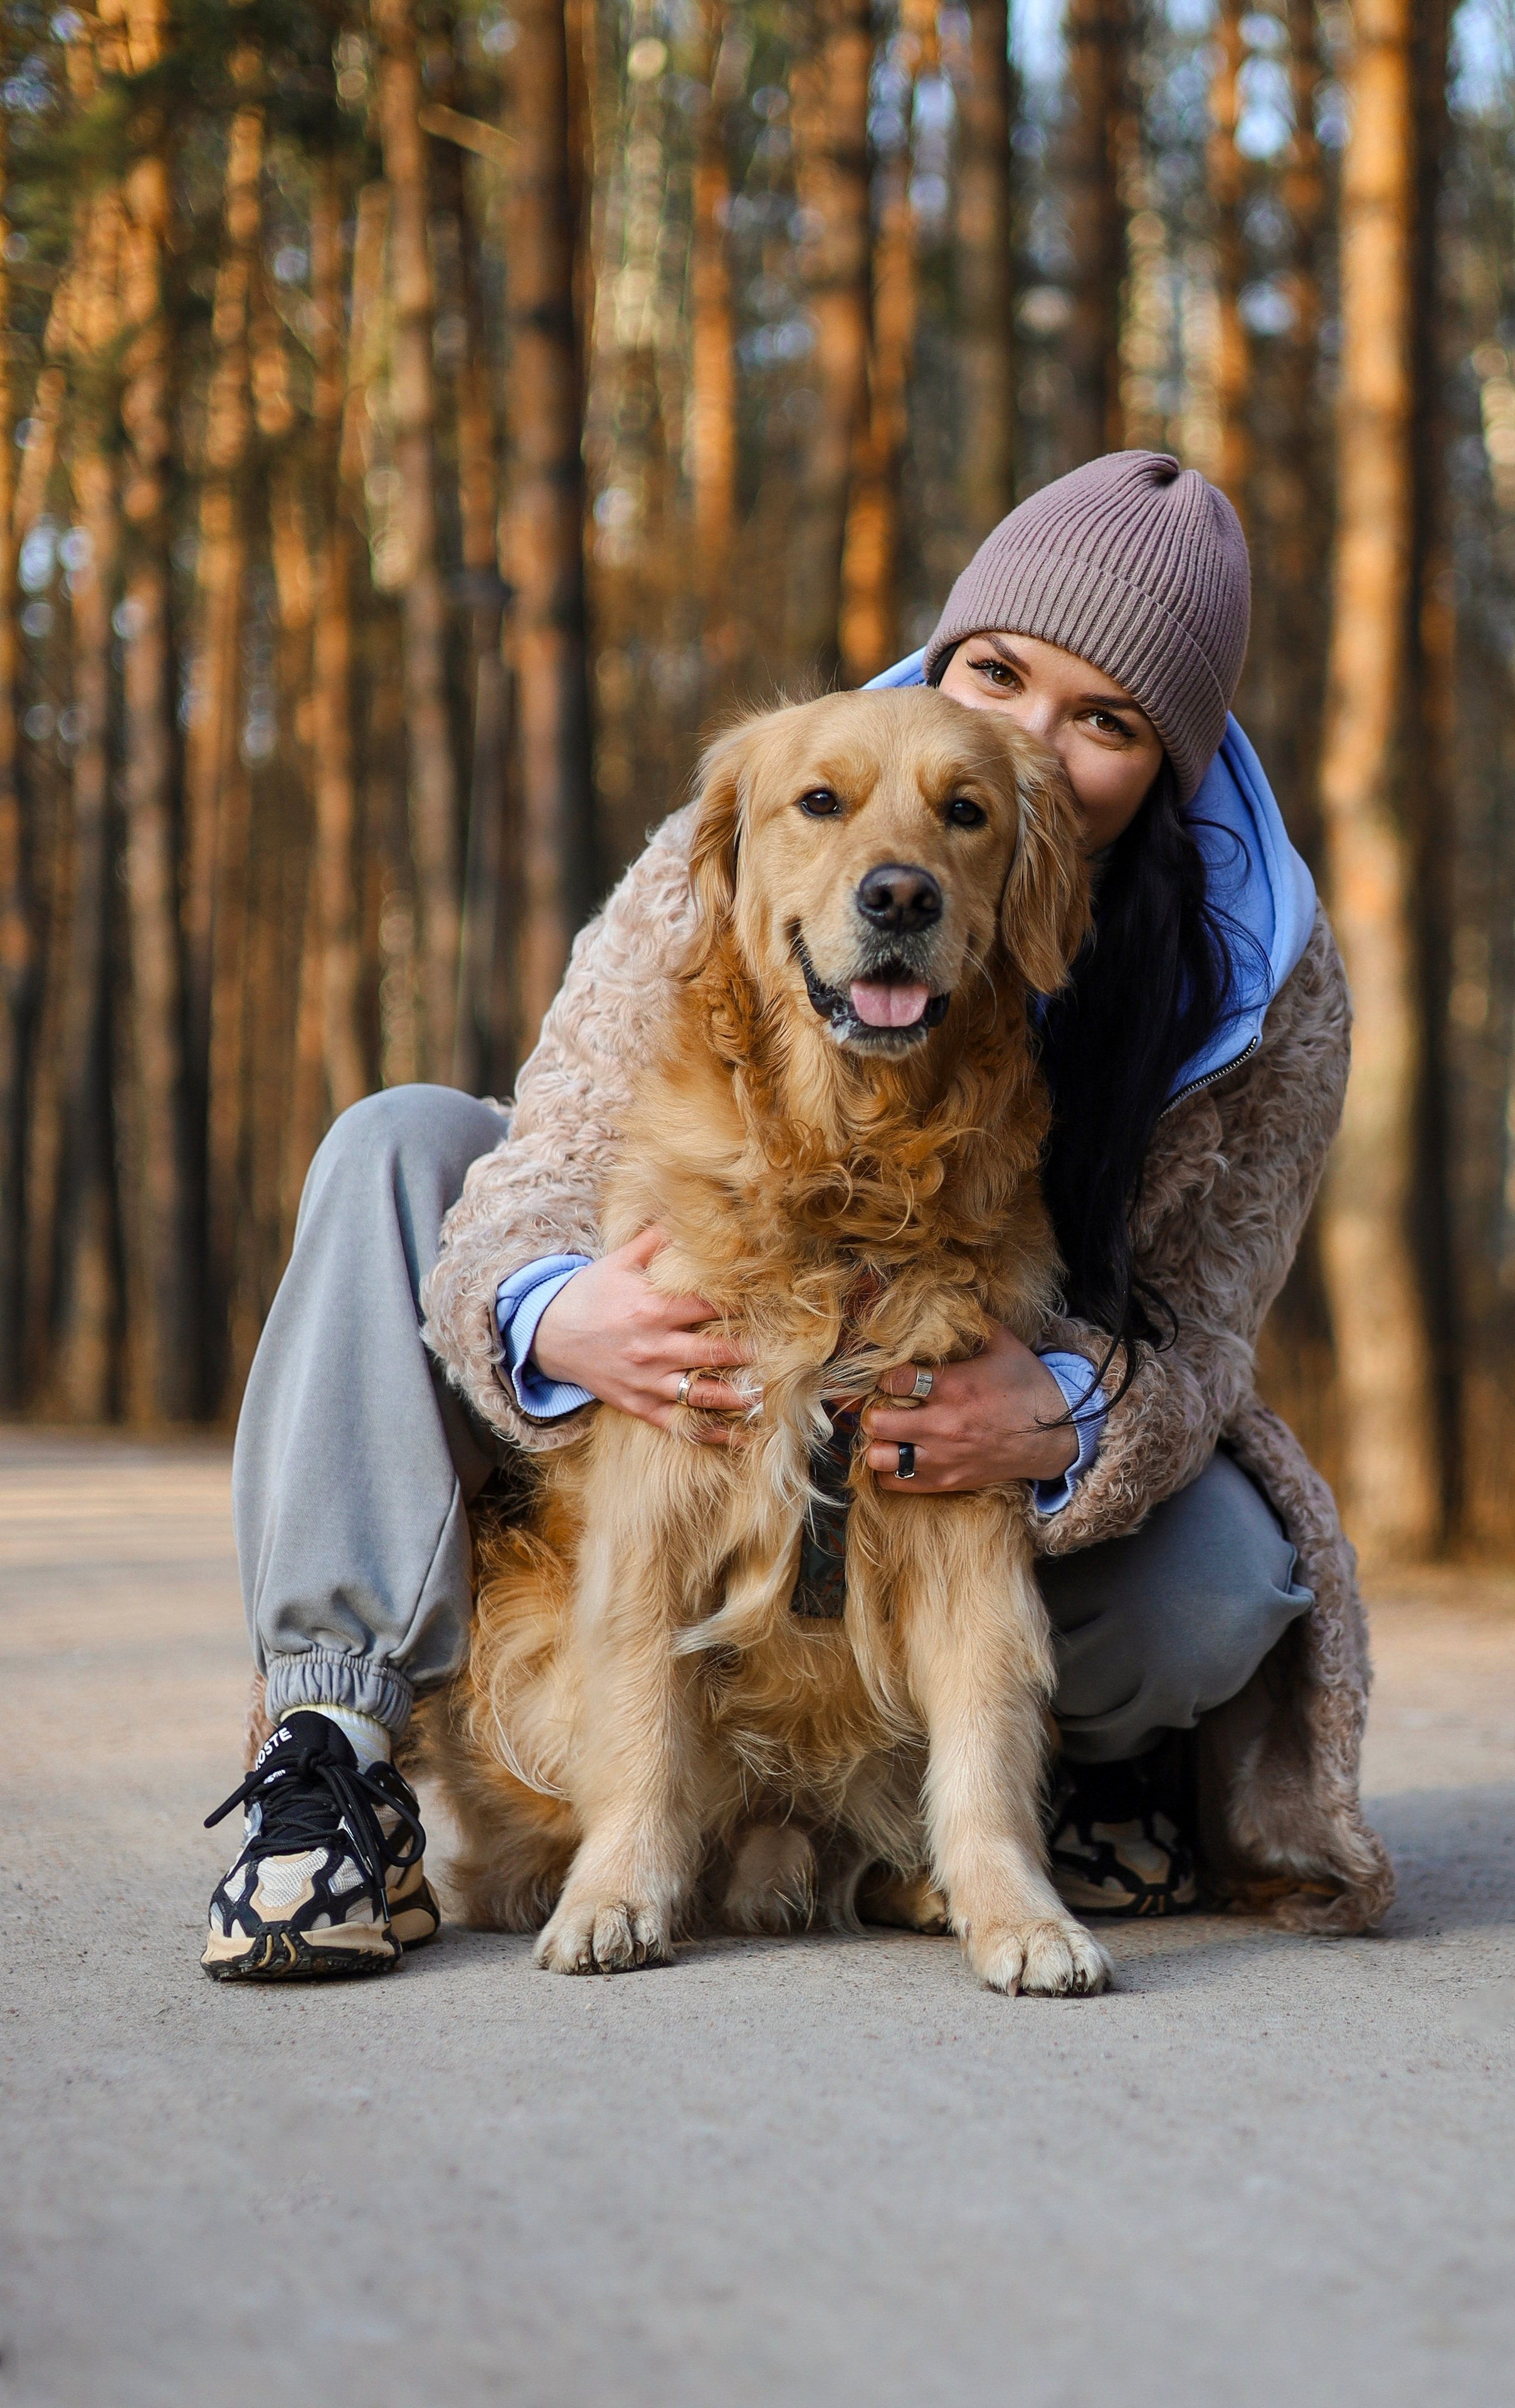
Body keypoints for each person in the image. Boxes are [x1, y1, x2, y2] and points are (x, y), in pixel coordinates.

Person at [202, 450, 1393, 1982]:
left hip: (1002, 1413)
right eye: (997, 670)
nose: (1016, 732)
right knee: (397, 1139)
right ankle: (331, 1742)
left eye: (1101, 721)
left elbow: (1207, 1326)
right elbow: (554, 1149)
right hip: (694, 1283)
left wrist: (1071, 1414)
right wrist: (551, 1313)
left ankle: (1010, 1809)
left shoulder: (1267, 979)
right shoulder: (772, 802)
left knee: (1220, 1583)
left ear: (1168, 762)